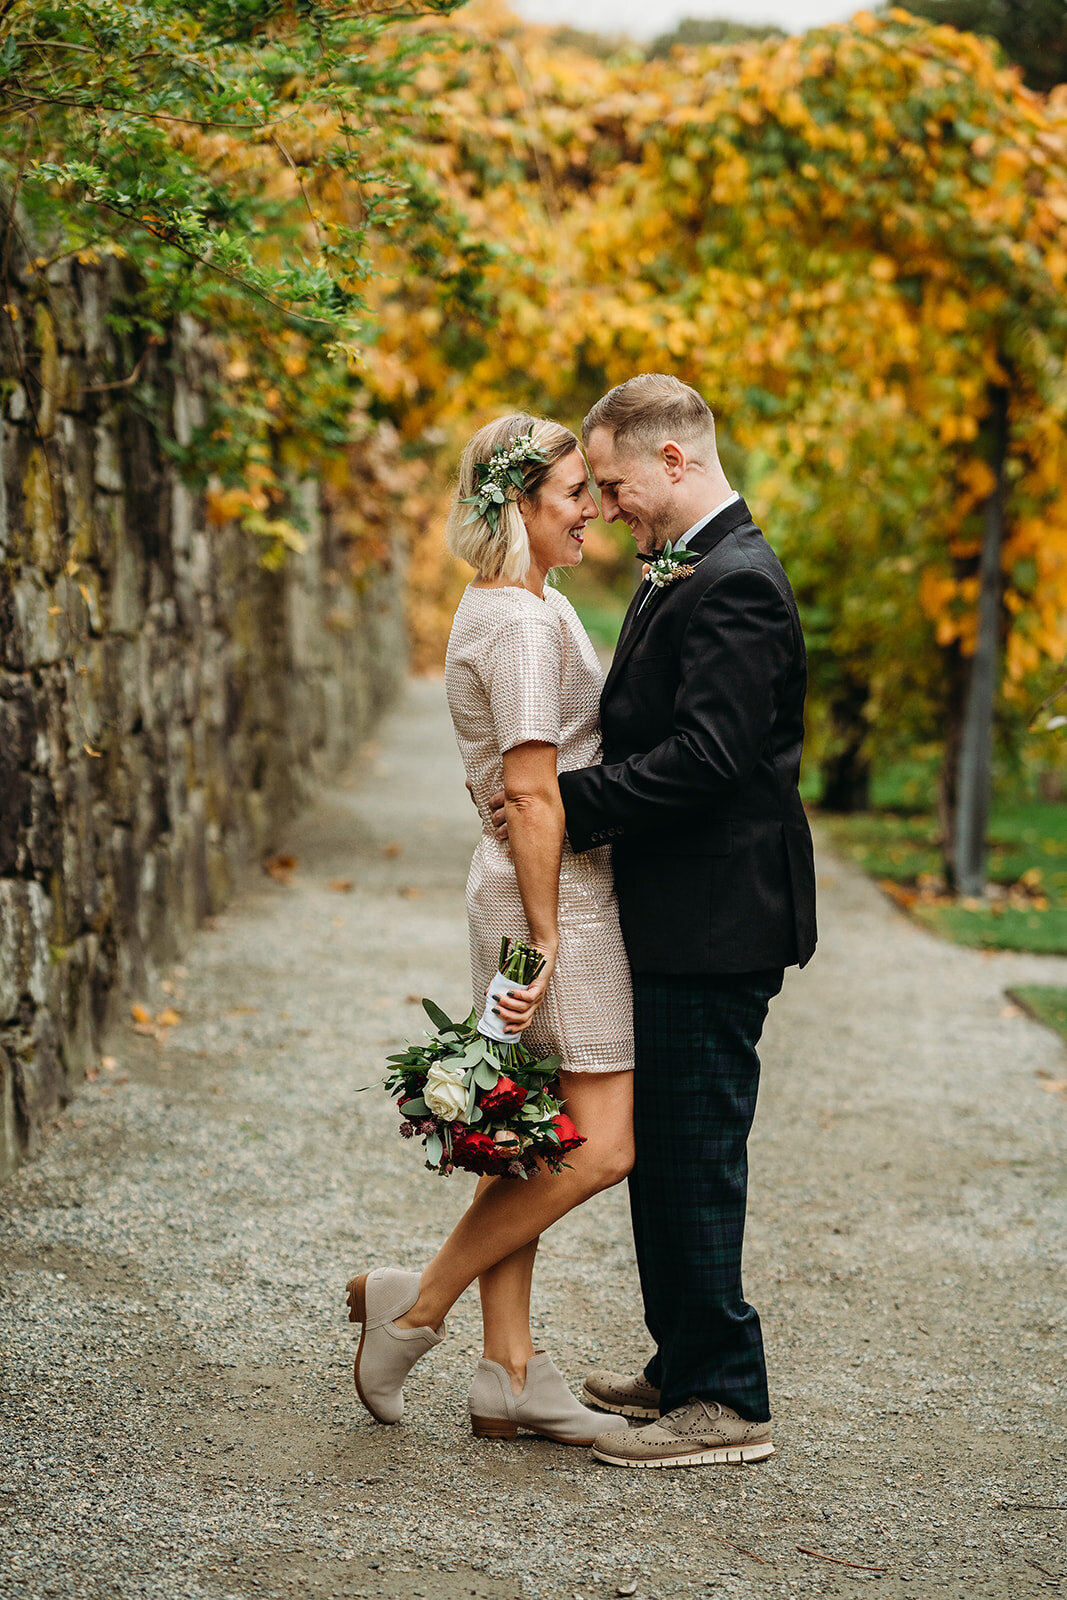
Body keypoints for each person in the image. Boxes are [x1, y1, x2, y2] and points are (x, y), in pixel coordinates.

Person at [491, 374, 817, 1468]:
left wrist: (564, 806)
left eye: (619, 482)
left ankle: (726, 1397)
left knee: (693, 1149)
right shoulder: (691, 565)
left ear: (674, 461)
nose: (612, 504)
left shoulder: (738, 581)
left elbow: (712, 758)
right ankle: (682, 1360)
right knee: (670, 1147)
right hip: (679, 906)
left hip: (718, 915)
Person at [346, 414, 635, 1448]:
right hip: (552, 895)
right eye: (570, 493)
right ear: (519, 503)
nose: (591, 509)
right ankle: (417, 1306)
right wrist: (550, 932)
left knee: (523, 1136)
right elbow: (530, 786)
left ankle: (507, 1373)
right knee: (600, 1146)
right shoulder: (517, 622)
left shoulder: (515, 603)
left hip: (525, 886)